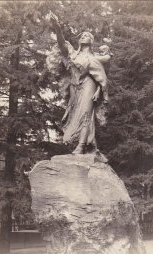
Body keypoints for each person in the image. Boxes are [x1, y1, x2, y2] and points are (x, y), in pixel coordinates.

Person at [49, 13, 112, 154]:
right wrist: (57, 28)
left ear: (91, 41)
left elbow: (101, 76)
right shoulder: (73, 54)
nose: (84, 36)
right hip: (74, 87)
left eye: (87, 35)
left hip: (89, 85)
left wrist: (98, 91)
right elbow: (62, 43)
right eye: (82, 35)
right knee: (73, 114)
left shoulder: (94, 57)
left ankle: (81, 145)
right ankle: (87, 144)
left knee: (86, 113)